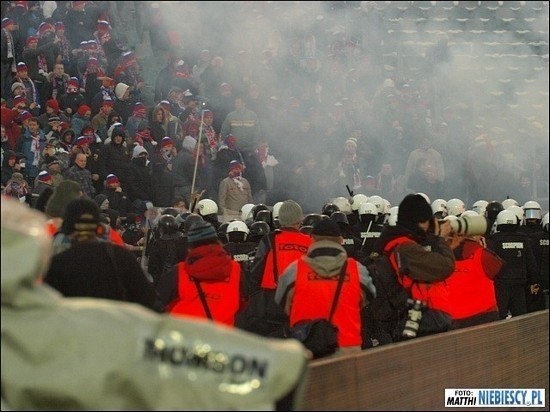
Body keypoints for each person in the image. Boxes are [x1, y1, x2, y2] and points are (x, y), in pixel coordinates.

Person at [1, 198, 308, 410]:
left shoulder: (53, 271)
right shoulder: (118, 264)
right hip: (124, 369)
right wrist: (271, 368)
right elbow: (155, 316)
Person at [44, 198, 164, 312]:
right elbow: (149, 299)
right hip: (115, 328)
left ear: (66, 227)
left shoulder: (56, 263)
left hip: (72, 330)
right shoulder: (119, 256)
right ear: (98, 226)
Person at [275, 219, 377, 354]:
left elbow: (281, 304)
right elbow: (367, 300)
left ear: (311, 239)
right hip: (347, 351)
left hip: (305, 351)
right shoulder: (358, 271)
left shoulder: (293, 272)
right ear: (340, 240)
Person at [372, 193, 457, 338]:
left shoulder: (393, 242)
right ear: (421, 221)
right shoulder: (406, 247)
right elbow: (445, 266)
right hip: (421, 321)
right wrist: (438, 239)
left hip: (410, 319)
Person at [239, 200, 313, 336]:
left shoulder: (270, 239)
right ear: (299, 219)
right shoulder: (310, 242)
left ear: (280, 219)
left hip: (273, 301)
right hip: (303, 301)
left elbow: (256, 270)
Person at [158, 222, 245, 327]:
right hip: (222, 338)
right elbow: (245, 305)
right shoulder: (235, 269)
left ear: (190, 247)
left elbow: (157, 304)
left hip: (184, 338)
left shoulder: (179, 272)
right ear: (217, 241)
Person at [445, 233, 505, 329]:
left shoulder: (442, 256)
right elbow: (499, 270)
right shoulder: (483, 254)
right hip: (484, 315)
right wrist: (484, 249)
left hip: (451, 317)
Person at [486, 209, 539, 319]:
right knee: (521, 318)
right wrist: (534, 281)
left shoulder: (493, 240)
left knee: (500, 317)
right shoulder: (523, 239)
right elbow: (531, 262)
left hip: (500, 285)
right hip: (519, 284)